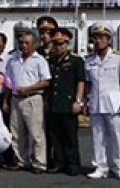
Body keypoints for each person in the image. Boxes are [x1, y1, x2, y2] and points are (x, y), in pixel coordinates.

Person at [84, 23, 120, 180]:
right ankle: (100, 166)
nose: (98, 41)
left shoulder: (119, 57)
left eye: (102, 38)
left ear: (109, 40)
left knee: (118, 137)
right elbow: (88, 83)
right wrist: (85, 101)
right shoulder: (89, 60)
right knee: (98, 136)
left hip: (114, 103)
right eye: (95, 37)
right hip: (96, 102)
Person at [4, 31, 50, 173]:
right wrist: (6, 101)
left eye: (27, 43)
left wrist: (29, 88)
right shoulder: (12, 60)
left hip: (32, 98)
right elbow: (8, 82)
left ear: (34, 44)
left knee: (36, 133)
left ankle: (39, 163)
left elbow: (46, 81)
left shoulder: (40, 60)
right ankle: (21, 160)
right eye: (21, 43)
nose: (23, 46)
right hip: (16, 98)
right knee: (17, 133)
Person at [46, 28, 85, 176]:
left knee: (70, 137)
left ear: (67, 44)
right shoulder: (51, 61)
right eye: (55, 44)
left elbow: (80, 81)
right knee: (55, 136)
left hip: (68, 103)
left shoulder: (75, 60)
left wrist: (78, 101)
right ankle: (59, 162)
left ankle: (73, 164)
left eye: (61, 44)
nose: (58, 47)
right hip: (54, 103)